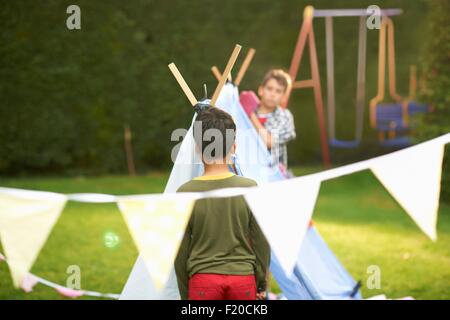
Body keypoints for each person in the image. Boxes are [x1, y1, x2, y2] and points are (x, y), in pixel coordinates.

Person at [174, 105, 270, 300]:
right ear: (234, 146)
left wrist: (186, 294)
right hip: (243, 281)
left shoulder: (184, 193)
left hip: (202, 283)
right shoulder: (250, 188)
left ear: (198, 148)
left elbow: (179, 252)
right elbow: (261, 242)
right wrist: (260, 281)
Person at [244, 69, 296, 170]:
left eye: (278, 91)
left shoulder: (284, 116)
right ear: (261, 90)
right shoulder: (245, 113)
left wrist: (250, 115)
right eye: (269, 88)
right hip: (247, 169)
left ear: (284, 97)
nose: (273, 94)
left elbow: (269, 141)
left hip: (272, 174)